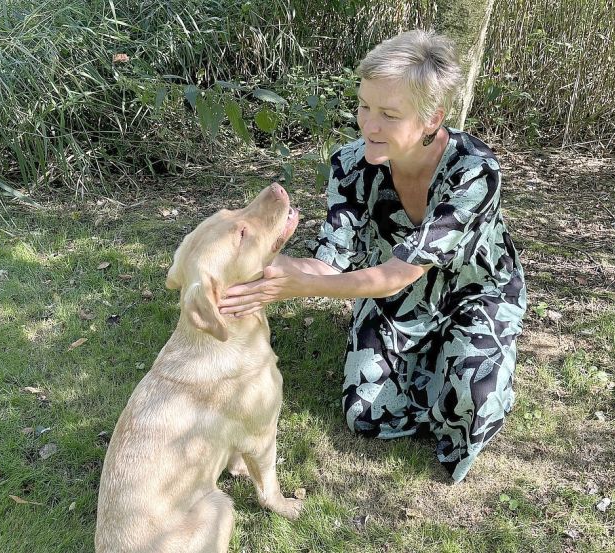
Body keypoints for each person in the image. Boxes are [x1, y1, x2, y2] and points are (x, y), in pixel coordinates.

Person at [219, 29, 526, 482]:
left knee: (473, 402)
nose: (369, 125)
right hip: (395, 297)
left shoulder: (475, 171)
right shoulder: (349, 165)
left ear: (431, 119)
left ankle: (466, 367)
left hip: (473, 291)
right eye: (364, 106)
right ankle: (436, 368)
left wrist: (313, 286)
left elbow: (400, 271)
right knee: (364, 414)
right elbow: (331, 261)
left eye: (388, 114)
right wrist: (265, 269)